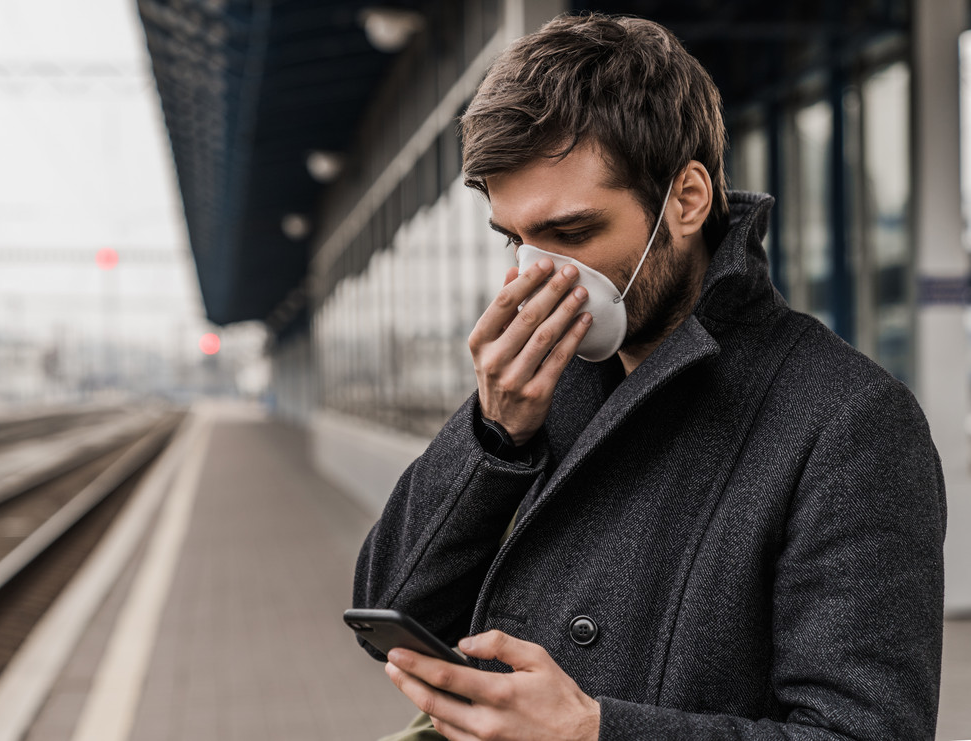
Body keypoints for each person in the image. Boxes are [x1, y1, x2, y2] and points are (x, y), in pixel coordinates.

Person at [353, 12, 945, 741]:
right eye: (516, 240)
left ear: (687, 200)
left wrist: (595, 731)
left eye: (572, 233)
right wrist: (494, 435)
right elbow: (390, 608)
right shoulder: (541, 387)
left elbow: (863, 731)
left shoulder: (850, 420)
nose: (539, 276)